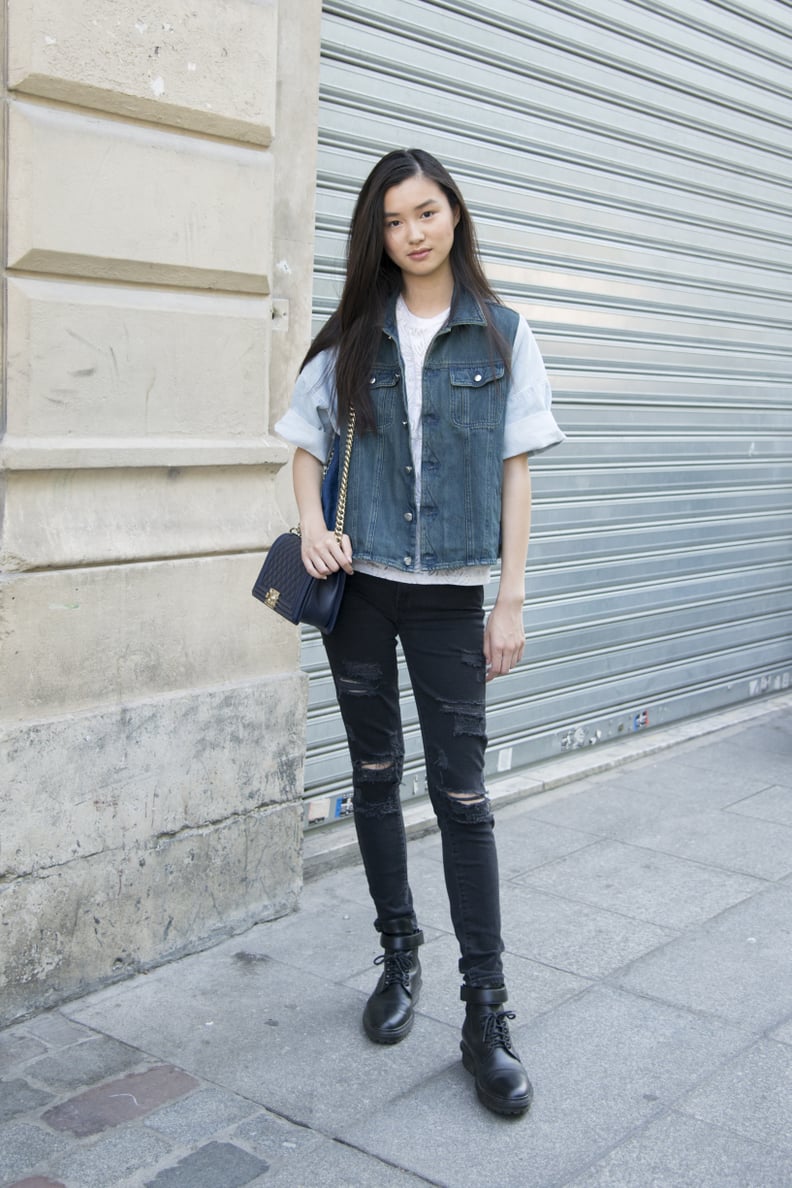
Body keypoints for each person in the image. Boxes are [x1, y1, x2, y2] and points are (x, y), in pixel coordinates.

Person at [275, 148, 565, 1116]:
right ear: (380, 234)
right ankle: (400, 953)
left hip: (448, 596)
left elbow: (518, 469)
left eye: (428, 211)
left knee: (464, 795)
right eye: (396, 219)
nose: (415, 231)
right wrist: (313, 528)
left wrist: (510, 597)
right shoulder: (352, 336)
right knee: (372, 775)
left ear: (453, 216)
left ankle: (486, 1011)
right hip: (358, 591)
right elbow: (307, 437)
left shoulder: (503, 332)